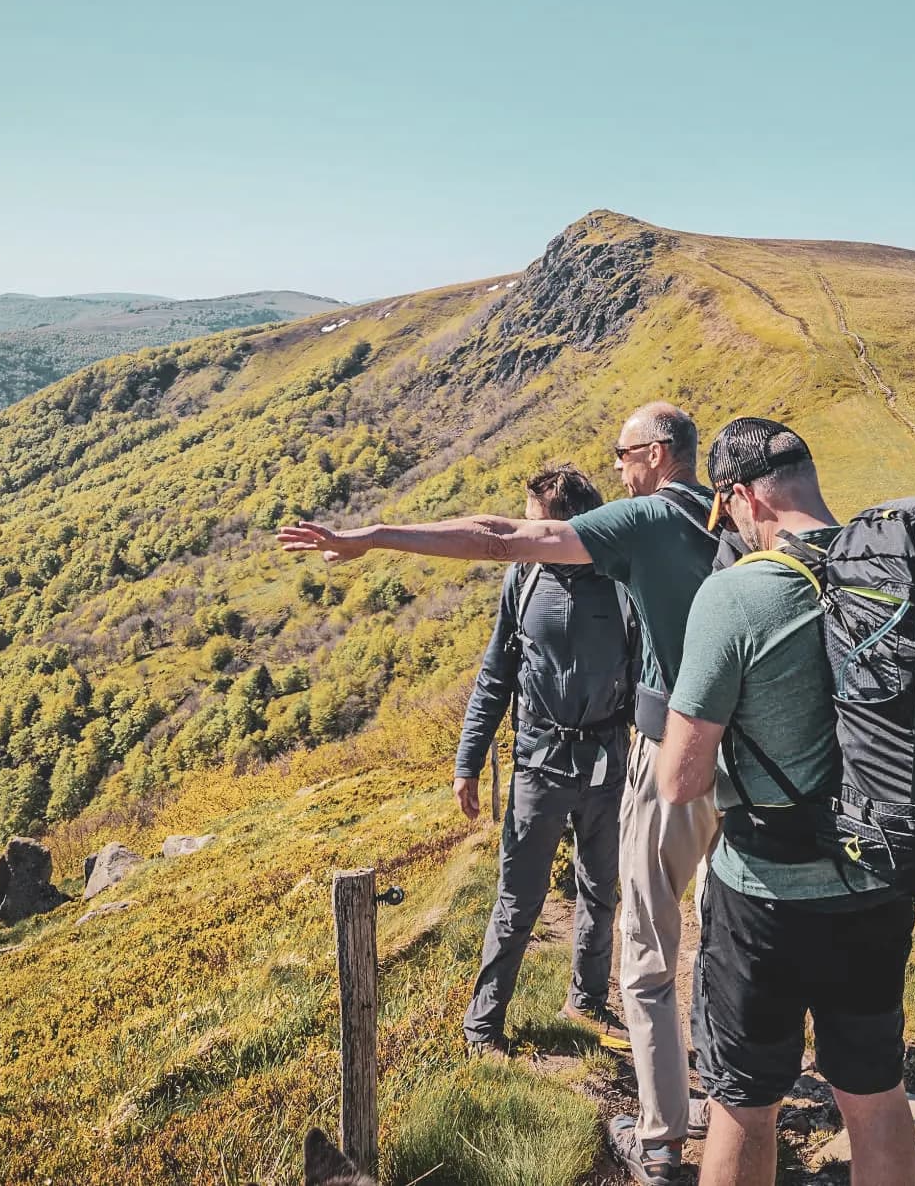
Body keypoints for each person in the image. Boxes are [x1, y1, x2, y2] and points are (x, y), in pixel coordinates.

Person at [278, 400, 721, 1186]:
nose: (618, 465)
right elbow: (498, 665)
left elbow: (493, 534)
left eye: (625, 453)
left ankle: (655, 1122)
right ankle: (712, 1093)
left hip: (643, 755)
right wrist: (467, 758)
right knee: (679, 922)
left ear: (654, 453)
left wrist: (375, 537)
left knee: (629, 922)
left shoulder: (636, 536)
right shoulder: (722, 519)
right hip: (708, 757)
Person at [656, 418, 915, 1186]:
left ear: (740, 498)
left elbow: (679, 780)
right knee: (875, 1096)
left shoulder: (735, 595)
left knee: (745, 1103)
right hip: (879, 882)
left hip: (765, 898)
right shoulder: (895, 577)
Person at [453, 466, 633, 1056]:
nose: (520, 536)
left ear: (567, 526)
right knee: (517, 897)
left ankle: (586, 1000)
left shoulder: (623, 579)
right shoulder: (523, 578)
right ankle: (483, 1027)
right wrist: (468, 760)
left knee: (600, 888)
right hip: (538, 762)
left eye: (532, 525)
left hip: (608, 761)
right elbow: (494, 673)